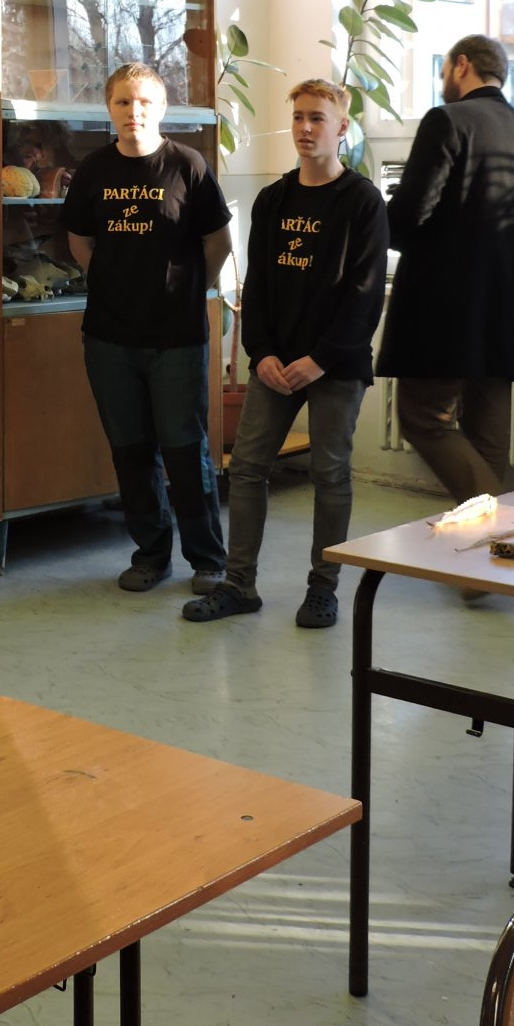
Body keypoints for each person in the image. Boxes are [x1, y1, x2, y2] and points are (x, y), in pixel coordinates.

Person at [183, 79, 389, 630]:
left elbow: (366, 294)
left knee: (330, 473)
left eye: (317, 118)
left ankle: (323, 588)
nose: (305, 127)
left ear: (341, 127)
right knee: (247, 469)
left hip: (334, 365)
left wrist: (320, 359)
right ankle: (239, 584)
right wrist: (262, 353)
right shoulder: (273, 199)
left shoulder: (362, 201)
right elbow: (259, 286)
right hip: (275, 364)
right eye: (298, 116)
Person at [60, 61, 232, 594]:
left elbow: (218, 242)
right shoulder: (94, 170)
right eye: (122, 102)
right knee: (131, 450)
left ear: (161, 108)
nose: (133, 111)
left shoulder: (188, 165)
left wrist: (187, 291)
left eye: (144, 102)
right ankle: (150, 556)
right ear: (109, 109)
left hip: (176, 336)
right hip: (110, 336)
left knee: (185, 449)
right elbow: (79, 241)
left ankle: (207, 559)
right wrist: (115, 284)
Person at [377, 33, 514, 504]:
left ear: (461, 65)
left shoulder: (447, 120)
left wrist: (384, 224)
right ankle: (486, 548)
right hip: (508, 310)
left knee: (423, 417)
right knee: (487, 437)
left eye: (443, 73)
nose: (443, 83)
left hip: (443, 310)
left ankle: (503, 527)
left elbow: (412, 212)